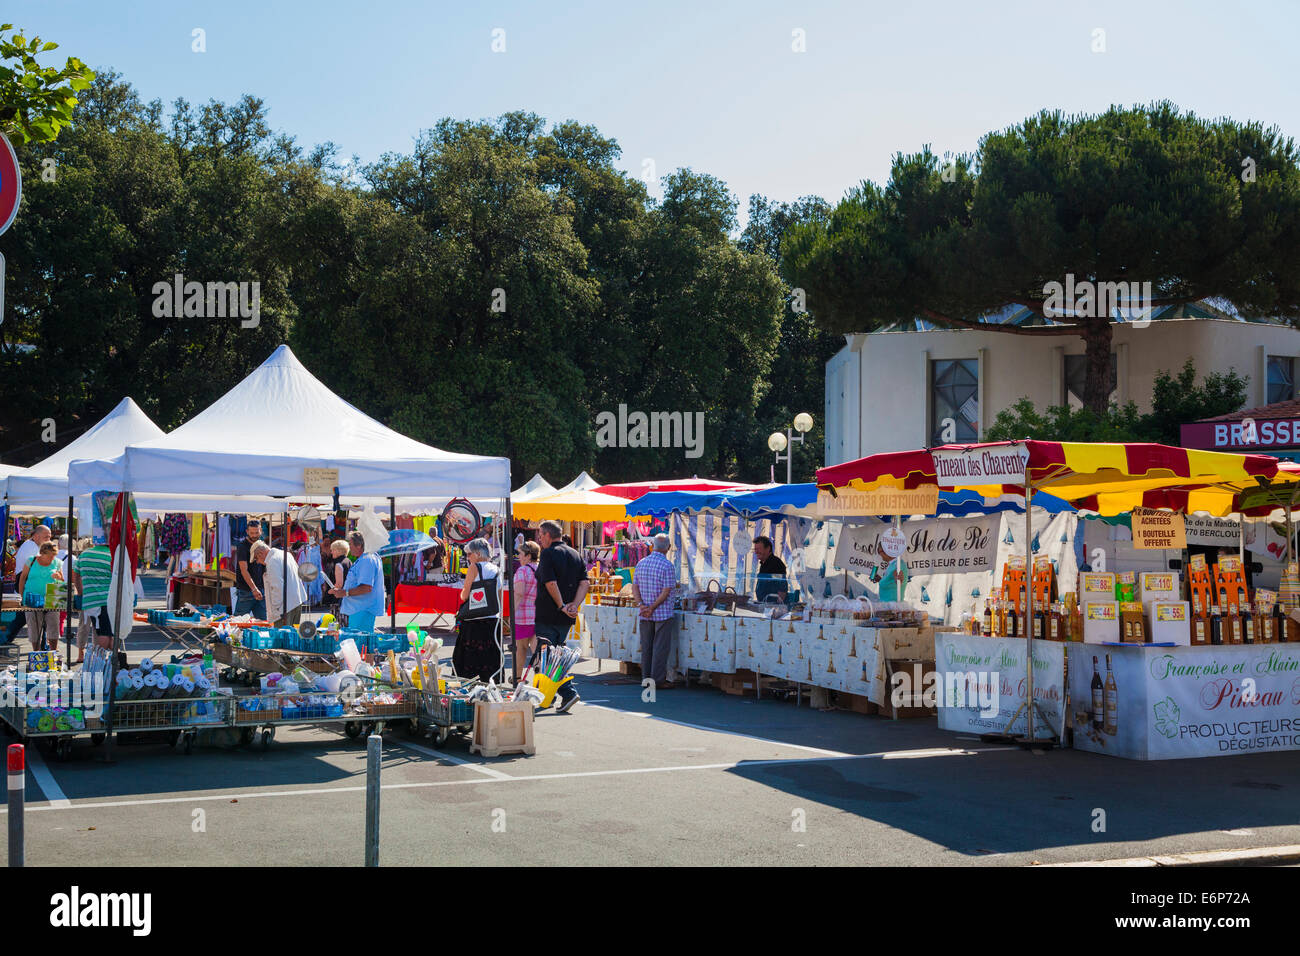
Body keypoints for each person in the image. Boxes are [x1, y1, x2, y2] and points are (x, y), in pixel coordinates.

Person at [535, 519, 587, 713]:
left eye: (541, 535)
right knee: (552, 654)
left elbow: (550, 583)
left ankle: (567, 692)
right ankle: (546, 695)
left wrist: (562, 605)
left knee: (548, 655)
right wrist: (574, 605)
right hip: (565, 615)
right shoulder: (575, 553)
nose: (539, 539)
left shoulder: (548, 554)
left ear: (548, 535)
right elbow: (584, 583)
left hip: (549, 612)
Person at [452, 537, 503, 682]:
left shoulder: (474, 567)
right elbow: (499, 597)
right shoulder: (497, 569)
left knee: (469, 660)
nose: (467, 557)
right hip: (492, 619)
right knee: (489, 658)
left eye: (469, 554)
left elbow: (464, 595)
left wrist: (463, 594)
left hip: (473, 619)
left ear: (478, 554)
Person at [635, 534, 678, 689]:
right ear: (668, 547)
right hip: (662, 612)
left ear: (652, 545)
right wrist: (652, 607)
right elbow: (666, 591)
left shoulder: (641, 563)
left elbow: (635, 586)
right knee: (660, 648)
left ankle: (646, 678)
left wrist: (641, 605)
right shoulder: (667, 566)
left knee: (646, 647)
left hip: (644, 611)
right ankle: (657, 680)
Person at [2, 525, 51, 646]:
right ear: (36, 536)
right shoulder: (32, 547)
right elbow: (35, 570)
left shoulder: (31, 545)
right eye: (46, 537)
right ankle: (5, 639)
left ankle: (5, 639)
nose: (49, 539)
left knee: (26, 616)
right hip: (27, 583)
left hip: (26, 583)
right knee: (33, 615)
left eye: (50, 536)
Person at [330, 531, 386, 632]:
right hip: (359, 609)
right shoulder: (366, 558)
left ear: (359, 545)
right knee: (359, 643)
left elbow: (366, 587)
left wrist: (344, 592)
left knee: (360, 644)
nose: (349, 547)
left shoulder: (367, 559)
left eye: (350, 544)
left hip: (362, 609)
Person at [70, 538, 113, 664]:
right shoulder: (112, 555)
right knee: (106, 633)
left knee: (103, 631)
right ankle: (101, 662)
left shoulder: (84, 555)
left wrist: (81, 591)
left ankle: (106, 661)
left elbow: (75, 576)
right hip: (108, 600)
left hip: (90, 601)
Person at [18, 541, 64, 651]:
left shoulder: (57, 562)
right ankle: (36, 652)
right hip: (32, 599)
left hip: (52, 599)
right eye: (50, 556)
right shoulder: (31, 560)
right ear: (42, 553)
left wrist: (58, 577)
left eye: (54, 555)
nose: (52, 558)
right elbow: (22, 578)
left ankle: (53, 652)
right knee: (34, 627)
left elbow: (62, 580)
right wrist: (21, 597)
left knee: (53, 626)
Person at [252, 540, 307, 626]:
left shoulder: (272, 561)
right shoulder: (286, 554)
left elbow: (277, 589)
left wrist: (276, 611)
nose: (258, 562)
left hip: (285, 608)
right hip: (296, 601)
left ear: (260, 553)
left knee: (282, 636)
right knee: (293, 635)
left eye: (256, 559)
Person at [512, 541, 540, 682]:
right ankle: (540, 679)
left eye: (521, 554)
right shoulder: (540, 569)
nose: (519, 557)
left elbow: (519, 593)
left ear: (528, 556)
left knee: (521, 648)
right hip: (538, 615)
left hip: (522, 615)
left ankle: (517, 678)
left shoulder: (523, 571)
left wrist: (512, 611)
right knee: (537, 651)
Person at [234, 520, 266, 619]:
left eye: (257, 532)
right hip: (246, 590)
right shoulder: (242, 546)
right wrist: (254, 589)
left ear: (261, 531)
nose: (254, 535)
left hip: (260, 589)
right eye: (252, 533)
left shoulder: (262, 544)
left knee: (263, 622)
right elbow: (244, 570)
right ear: (247, 531)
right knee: (238, 623)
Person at [753, 536, 788, 604]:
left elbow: (782, 586)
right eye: (755, 549)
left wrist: (777, 607)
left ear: (768, 548)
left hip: (772, 606)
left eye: (759, 549)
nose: (756, 552)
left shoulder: (776, 564)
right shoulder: (763, 564)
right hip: (763, 604)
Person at [323, 539, 352, 611]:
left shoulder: (339, 564)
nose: (331, 552)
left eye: (333, 550)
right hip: (348, 596)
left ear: (338, 551)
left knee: (337, 620)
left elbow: (339, 584)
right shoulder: (348, 561)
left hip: (339, 599)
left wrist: (329, 592)